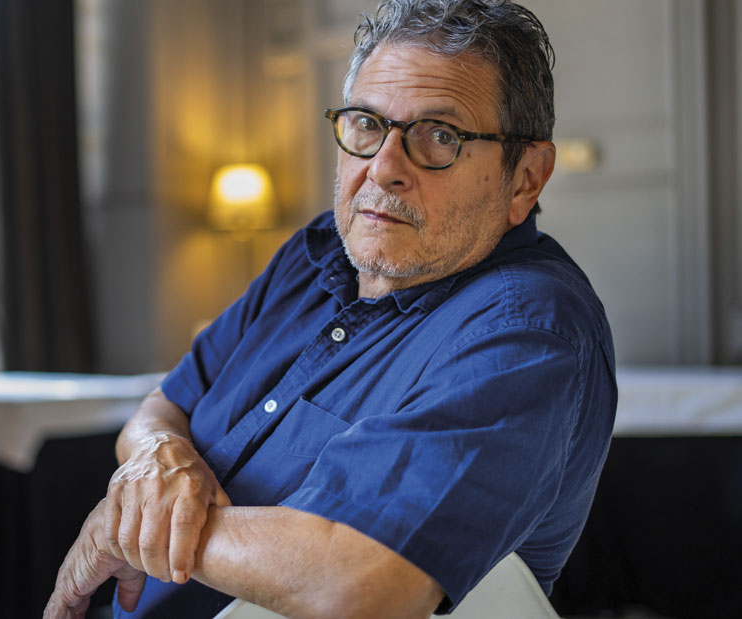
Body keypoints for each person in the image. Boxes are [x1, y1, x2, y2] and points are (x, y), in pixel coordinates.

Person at [45, 0, 616, 617]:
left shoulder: (528, 328)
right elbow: (165, 405)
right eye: (367, 123)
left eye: (440, 136)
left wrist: (132, 527)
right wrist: (159, 456)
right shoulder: (316, 250)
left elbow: (359, 583)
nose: (384, 168)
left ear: (526, 177)